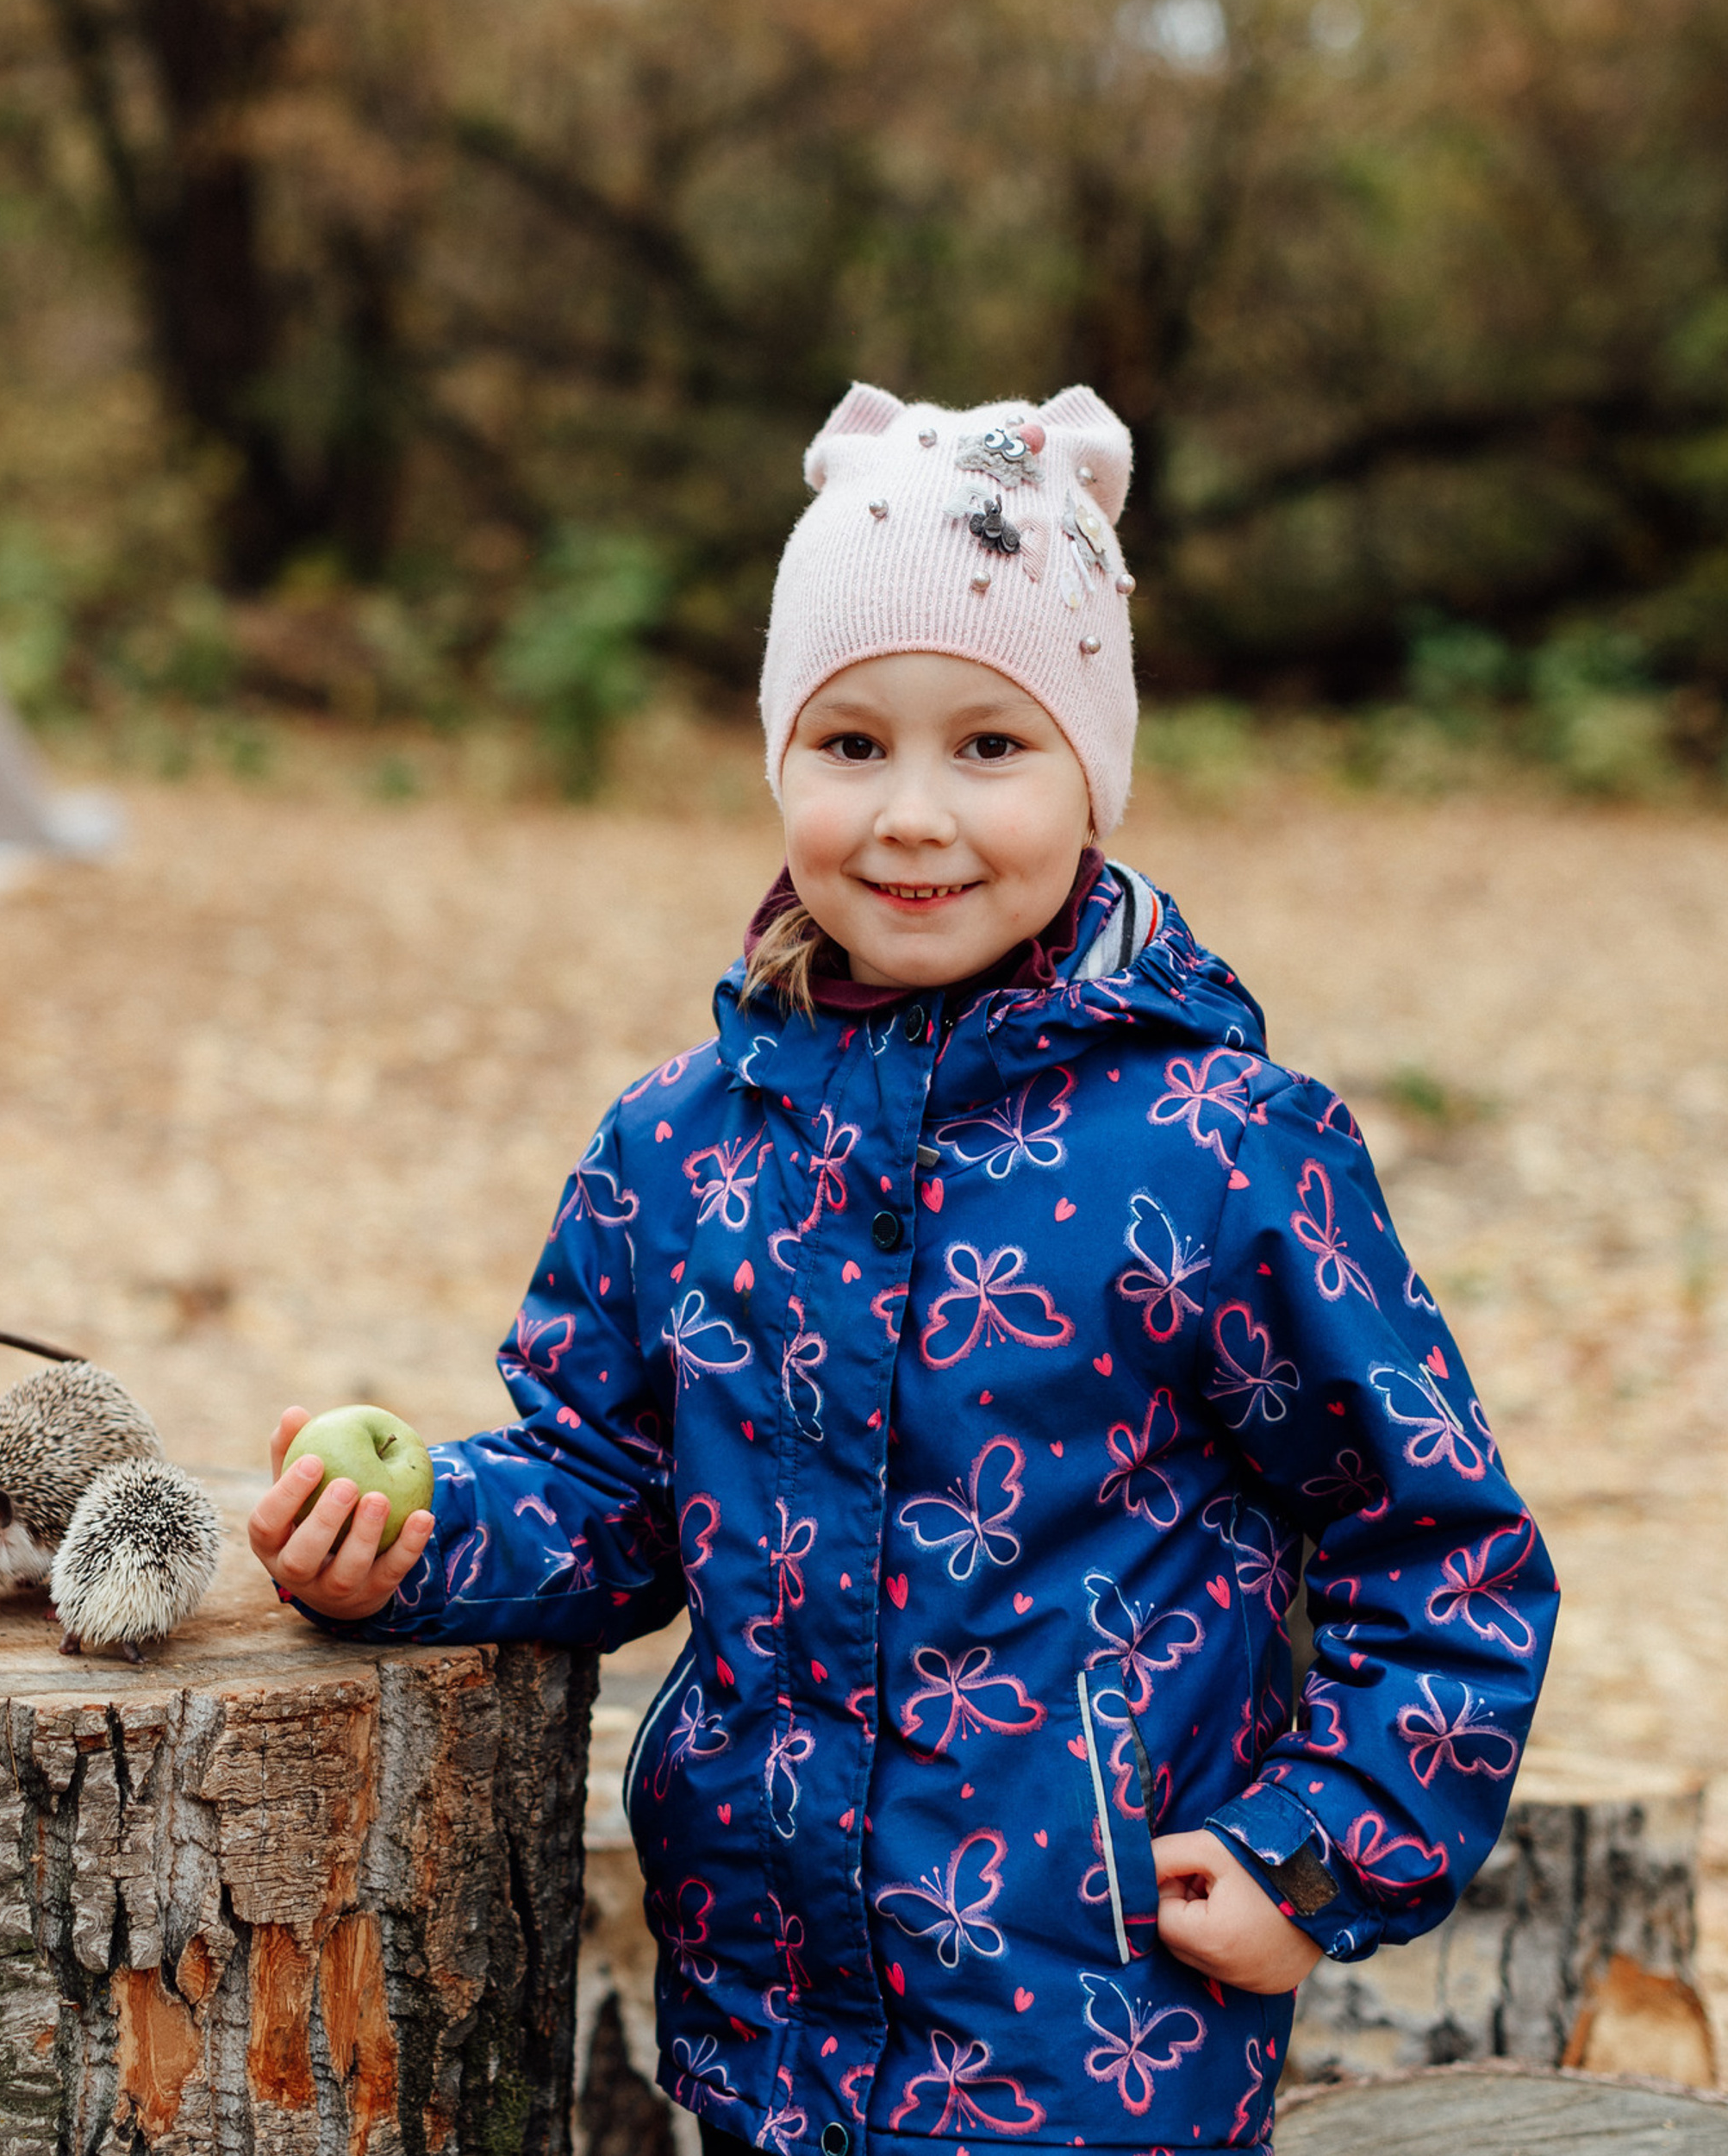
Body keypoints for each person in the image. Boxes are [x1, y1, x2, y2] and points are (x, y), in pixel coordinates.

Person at [248, 381, 1556, 2153]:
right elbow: (610, 1484)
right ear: (778, 758)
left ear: (1090, 770)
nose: (912, 814)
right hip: (766, 2022)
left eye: (990, 746)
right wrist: (414, 1542)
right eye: (849, 743)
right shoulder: (682, 1142)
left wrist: (1317, 1844)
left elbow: (1442, 1547)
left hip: (1091, 2037)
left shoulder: (1218, 1148)